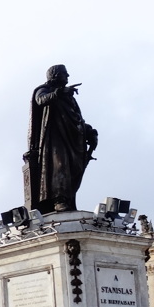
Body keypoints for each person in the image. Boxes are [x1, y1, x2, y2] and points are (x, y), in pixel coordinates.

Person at [24, 64, 98, 214]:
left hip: (72, 140)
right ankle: (59, 200)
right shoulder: (44, 90)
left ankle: (68, 199)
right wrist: (60, 92)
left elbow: (76, 119)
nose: (68, 76)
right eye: (65, 73)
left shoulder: (69, 97)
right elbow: (41, 100)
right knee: (60, 166)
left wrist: (90, 132)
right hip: (54, 139)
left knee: (71, 170)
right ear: (56, 75)